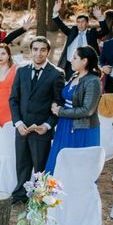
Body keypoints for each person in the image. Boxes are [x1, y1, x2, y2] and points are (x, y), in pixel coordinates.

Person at [9, 37, 65, 203]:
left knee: (40, 166)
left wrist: (47, 126)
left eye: (42, 49)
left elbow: (58, 105)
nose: (38, 53)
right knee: (21, 163)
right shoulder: (21, 71)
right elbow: (13, 99)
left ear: (47, 52)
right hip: (22, 127)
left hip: (41, 130)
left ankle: (39, 198)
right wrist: (18, 123)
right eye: (35, 49)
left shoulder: (56, 74)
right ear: (30, 51)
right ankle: (20, 194)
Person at [45, 46, 102, 174]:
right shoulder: (74, 76)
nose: (71, 60)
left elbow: (87, 110)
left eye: (75, 57)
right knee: (60, 160)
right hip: (64, 125)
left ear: (85, 61)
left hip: (81, 128)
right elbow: (64, 96)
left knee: (76, 166)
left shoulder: (93, 81)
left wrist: (60, 111)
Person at [52, 0, 109, 79]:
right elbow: (61, 25)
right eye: (78, 22)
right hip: (70, 66)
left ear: (87, 23)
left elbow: (105, 31)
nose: (80, 24)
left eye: (83, 22)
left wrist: (100, 17)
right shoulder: (72, 32)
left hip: (87, 67)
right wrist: (55, 13)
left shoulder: (92, 33)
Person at [0, 43, 17, 126]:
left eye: (3, 54)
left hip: (13, 110)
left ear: (9, 55)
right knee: (1, 138)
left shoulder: (16, 69)